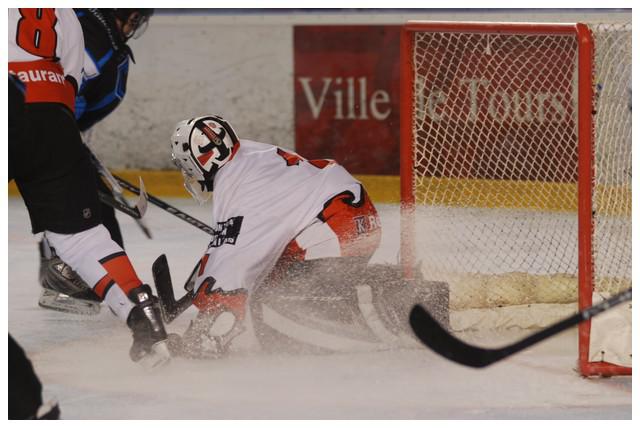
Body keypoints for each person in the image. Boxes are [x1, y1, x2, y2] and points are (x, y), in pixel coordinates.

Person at [8, 8, 169, 369]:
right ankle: (141, 312)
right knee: (83, 238)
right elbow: (68, 92)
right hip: (53, 118)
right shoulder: (67, 15)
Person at [168, 115, 393, 357]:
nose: (187, 172)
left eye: (186, 165)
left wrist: (206, 324)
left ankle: (379, 304)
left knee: (272, 307)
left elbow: (235, 261)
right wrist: (210, 269)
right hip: (352, 221)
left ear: (199, 160)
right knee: (277, 282)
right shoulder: (248, 156)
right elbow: (235, 243)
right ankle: (389, 285)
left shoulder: (235, 185)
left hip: (334, 230)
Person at [37, 8, 154, 314]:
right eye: (136, 17)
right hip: (37, 130)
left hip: (28, 121)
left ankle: (90, 285)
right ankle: (86, 286)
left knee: (84, 199)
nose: (135, 25)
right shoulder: (105, 50)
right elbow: (91, 99)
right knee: (82, 204)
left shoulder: (76, 19)